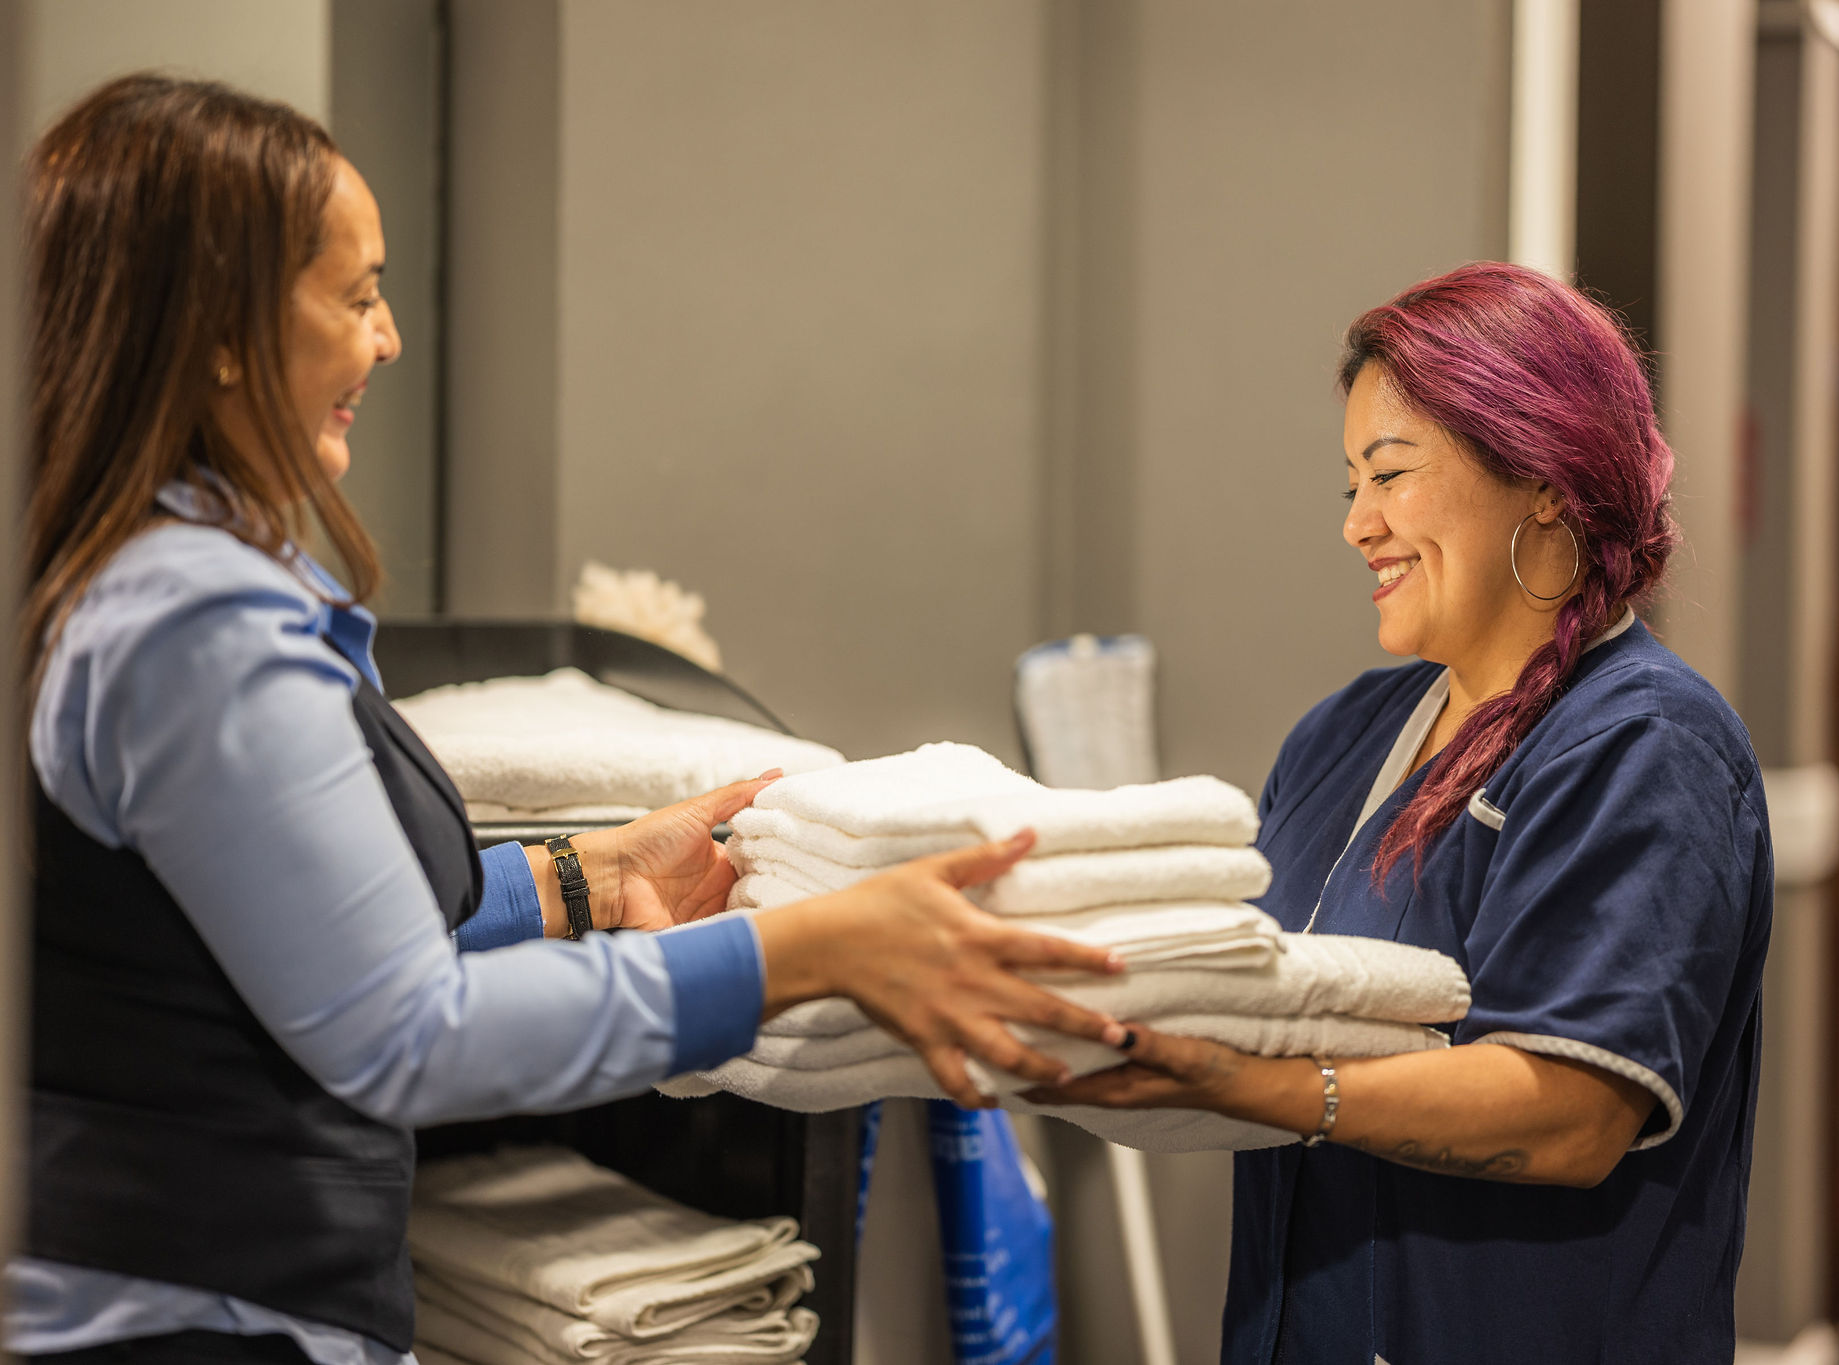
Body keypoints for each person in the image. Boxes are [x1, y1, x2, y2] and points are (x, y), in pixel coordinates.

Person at [13, 74, 1131, 1365]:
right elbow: (404, 1031)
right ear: (216, 330)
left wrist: (581, 876)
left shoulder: (126, 573)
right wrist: (804, 953)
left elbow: (289, 921)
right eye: (358, 295)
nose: (385, 341)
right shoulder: (189, 620)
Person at [1029, 262, 1773, 1363]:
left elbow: (1571, 1110)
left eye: (1388, 476)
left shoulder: (1642, 743)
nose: (1356, 527)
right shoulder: (1340, 739)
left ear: (1543, 478)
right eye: (1349, 487)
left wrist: (1263, 1089)